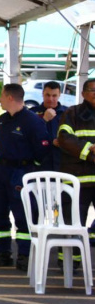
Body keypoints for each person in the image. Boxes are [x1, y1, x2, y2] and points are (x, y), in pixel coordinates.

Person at [0, 84, 48, 271]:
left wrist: (30, 172)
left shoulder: (32, 121)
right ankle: (3, 253)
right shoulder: (2, 120)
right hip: (1, 171)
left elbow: (43, 150)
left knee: (23, 214)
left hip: (21, 171)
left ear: (10, 97)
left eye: (2, 96)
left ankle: (24, 255)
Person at [56, 78, 95, 269]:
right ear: (83, 93)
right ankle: (70, 262)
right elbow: (64, 138)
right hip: (77, 179)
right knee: (73, 223)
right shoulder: (72, 113)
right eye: (92, 90)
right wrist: (89, 151)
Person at [31, 80, 67, 172]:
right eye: (47, 95)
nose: (50, 99)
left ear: (59, 95)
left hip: (62, 162)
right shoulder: (32, 113)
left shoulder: (67, 113)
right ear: (42, 94)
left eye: (54, 96)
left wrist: (63, 141)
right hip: (39, 162)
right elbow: (28, 136)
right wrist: (44, 120)